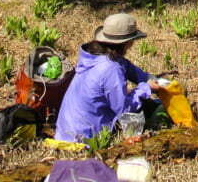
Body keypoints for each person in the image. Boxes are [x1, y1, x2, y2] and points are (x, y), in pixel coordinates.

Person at [55, 13, 163, 142]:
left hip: (65, 132)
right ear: (128, 42)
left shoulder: (94, 57)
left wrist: (149, 79)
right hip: (83, 138)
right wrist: (146, 88)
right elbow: (123, 109)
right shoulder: (111, 68)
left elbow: (127, 67)